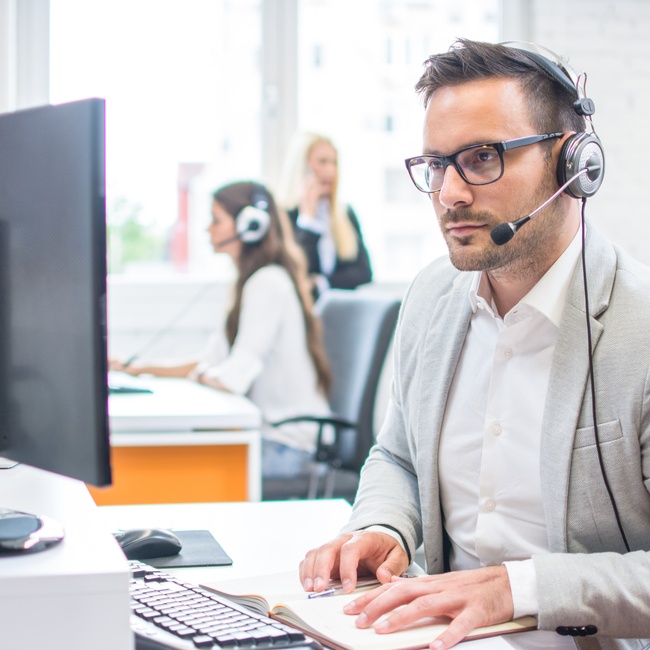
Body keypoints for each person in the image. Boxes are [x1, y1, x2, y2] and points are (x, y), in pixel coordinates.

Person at [298, 39, 650, 650]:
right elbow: (398, 456)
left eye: (482, 158)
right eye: (436, 165)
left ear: (575, 165)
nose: (449, 193)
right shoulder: (433, 296)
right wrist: (385, 526)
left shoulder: (638, 327)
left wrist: (516, 589)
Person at [111, 181, 331, 479]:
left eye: (216, 220)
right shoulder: (250, 283)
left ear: (251, 225)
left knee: (175, 471)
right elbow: (212, 360)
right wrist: (139, 369)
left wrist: (202, 374)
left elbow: (233, 376)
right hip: (272, 440)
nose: (207, 230)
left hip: (289, 448)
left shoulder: (267, 283)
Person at [276, 132, 372, 298]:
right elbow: (296, 274)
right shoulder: (282, 216)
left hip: (338, 310)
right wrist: (308, 221)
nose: (331, 170)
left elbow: (364, 272)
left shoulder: (345, 214)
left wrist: (322, 283)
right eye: (322, 162)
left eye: (334, 163)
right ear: (301, 167)